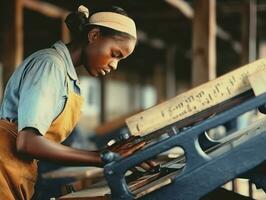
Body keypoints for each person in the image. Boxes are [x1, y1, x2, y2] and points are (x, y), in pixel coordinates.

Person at [0, 5, 147, 200]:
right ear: (94, 36)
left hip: (17, 169)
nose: (114, 64)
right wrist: (101, 157)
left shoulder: (67, 78)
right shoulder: (50, 64)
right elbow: (27, 142)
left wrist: (106, 153)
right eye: (115, 54)